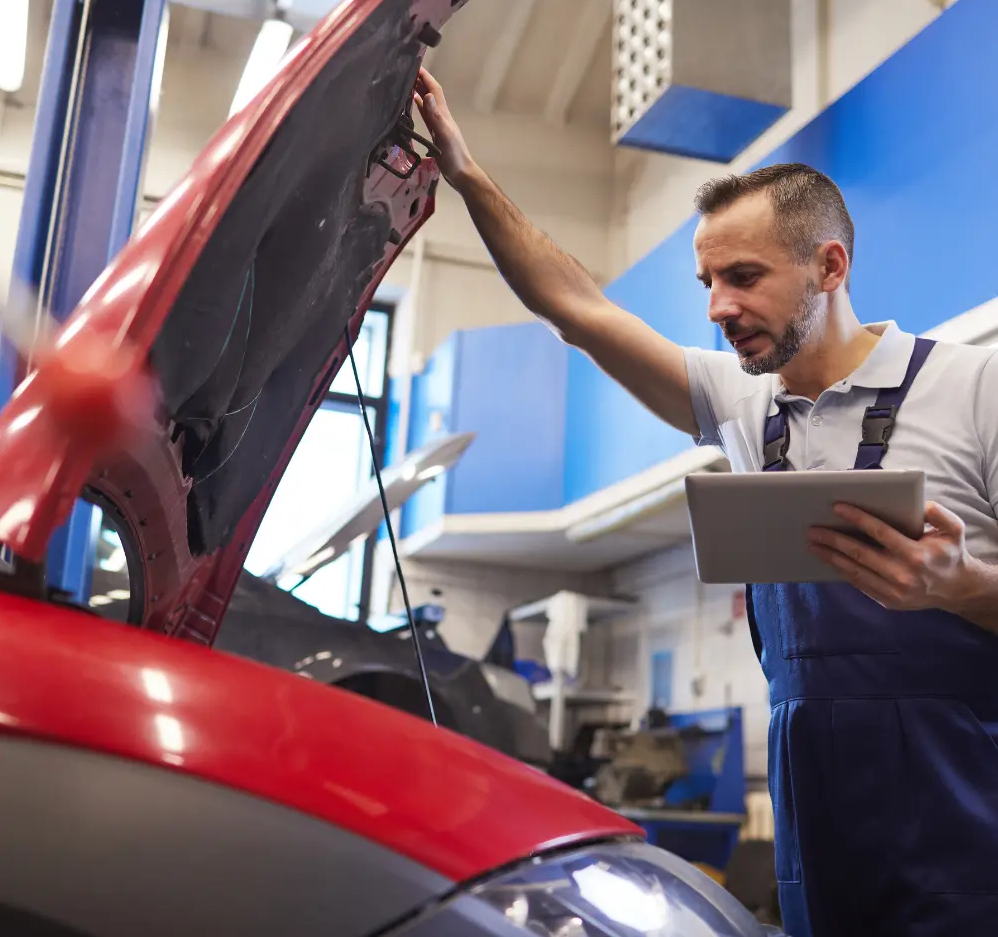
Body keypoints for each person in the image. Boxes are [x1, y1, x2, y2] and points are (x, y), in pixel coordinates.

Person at [413, 68, 998, 937]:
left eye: (746, 277)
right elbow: (574, 308)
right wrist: (465, 172)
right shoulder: (740, 404)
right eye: (708, 281)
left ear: (830, 266)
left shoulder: (975, 386)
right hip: (817, 811)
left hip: (965, 812)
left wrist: (958, 586)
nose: (720, 307)